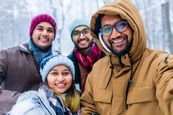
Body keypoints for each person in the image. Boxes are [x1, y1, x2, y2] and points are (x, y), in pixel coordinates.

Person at [80, 0, 173, 115]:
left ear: (135, 26)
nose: (115, 35)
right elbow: (88, 107)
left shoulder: (160, 64)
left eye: (121, 25)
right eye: (107, 29)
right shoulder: (98, 69)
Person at [0, 13, 59, 114]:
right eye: (40, 29)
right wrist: (21, 100)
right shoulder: (8, 56)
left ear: (54, 36)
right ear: (32, 32)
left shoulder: (59, 61)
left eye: (50, 30)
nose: (45, 33)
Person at [7, 55, 80, 115]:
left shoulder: (79, 102)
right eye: (54, 73)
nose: (61, 79)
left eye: (65, 73)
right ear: (46, 79)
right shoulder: (35, 106)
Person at [68, 19, 105, 94]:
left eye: (86, 32)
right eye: (76, 33)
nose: (81, 37)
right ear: (72, 38)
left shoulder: (107, 56)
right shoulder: (69, 62)